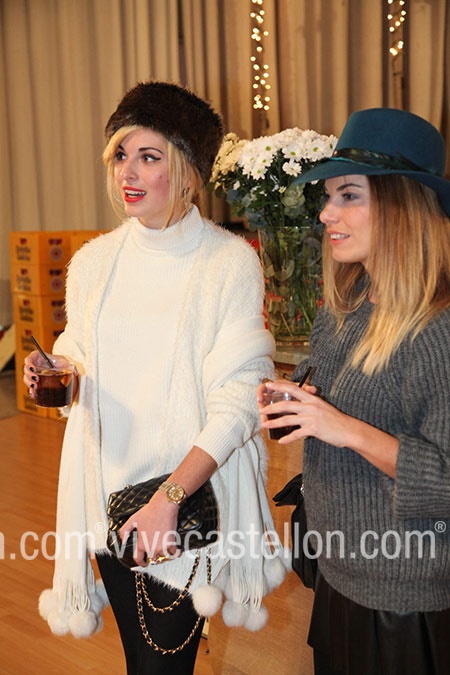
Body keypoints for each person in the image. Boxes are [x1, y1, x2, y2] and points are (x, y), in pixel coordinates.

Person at [24, 81, 286, 674]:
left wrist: (169, 499)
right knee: (141, 662)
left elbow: (239, 402)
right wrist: (60, 372)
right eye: (121, 154)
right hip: (106, 501)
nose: (128, 172)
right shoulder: (93, 263)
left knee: (161, 666)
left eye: (149, 156)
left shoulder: (228, 263)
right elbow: (81, 360)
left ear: (187, 169)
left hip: (183, 507)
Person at [258, 108, 450, 675]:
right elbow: (345, 395)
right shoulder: (345, 308)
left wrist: (342, 427)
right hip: (340, 573)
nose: (326, 213)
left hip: (403, 600)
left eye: (348, 196)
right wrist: (298, 398)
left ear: (400, 205)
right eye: (328, 197)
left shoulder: (437, 330)